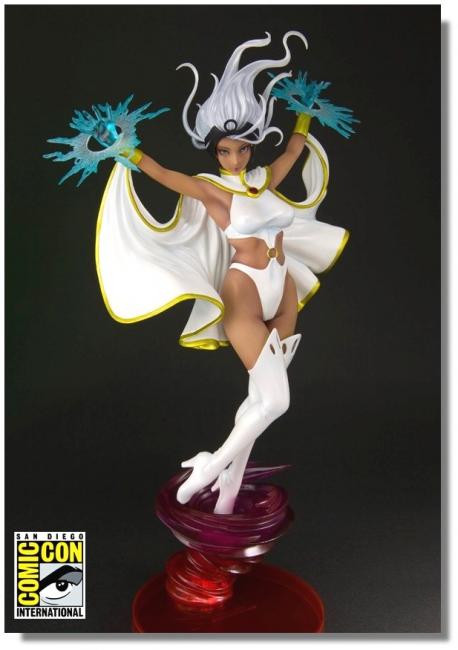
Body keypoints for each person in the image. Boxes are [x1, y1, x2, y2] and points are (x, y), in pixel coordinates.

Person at [95, 31, 350, 514]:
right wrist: (128, 151)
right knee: (276, 402)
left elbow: (292, 152)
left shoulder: (263, 179)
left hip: (283, 287)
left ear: (251, 147)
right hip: (245, 292)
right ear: (214, 152)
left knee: (259, 398)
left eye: (241, 149)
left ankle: (228, 493)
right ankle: (210, 466)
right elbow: (167, 176)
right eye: (224, 152)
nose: (234, 158)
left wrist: (303, 113)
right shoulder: (212, 190)